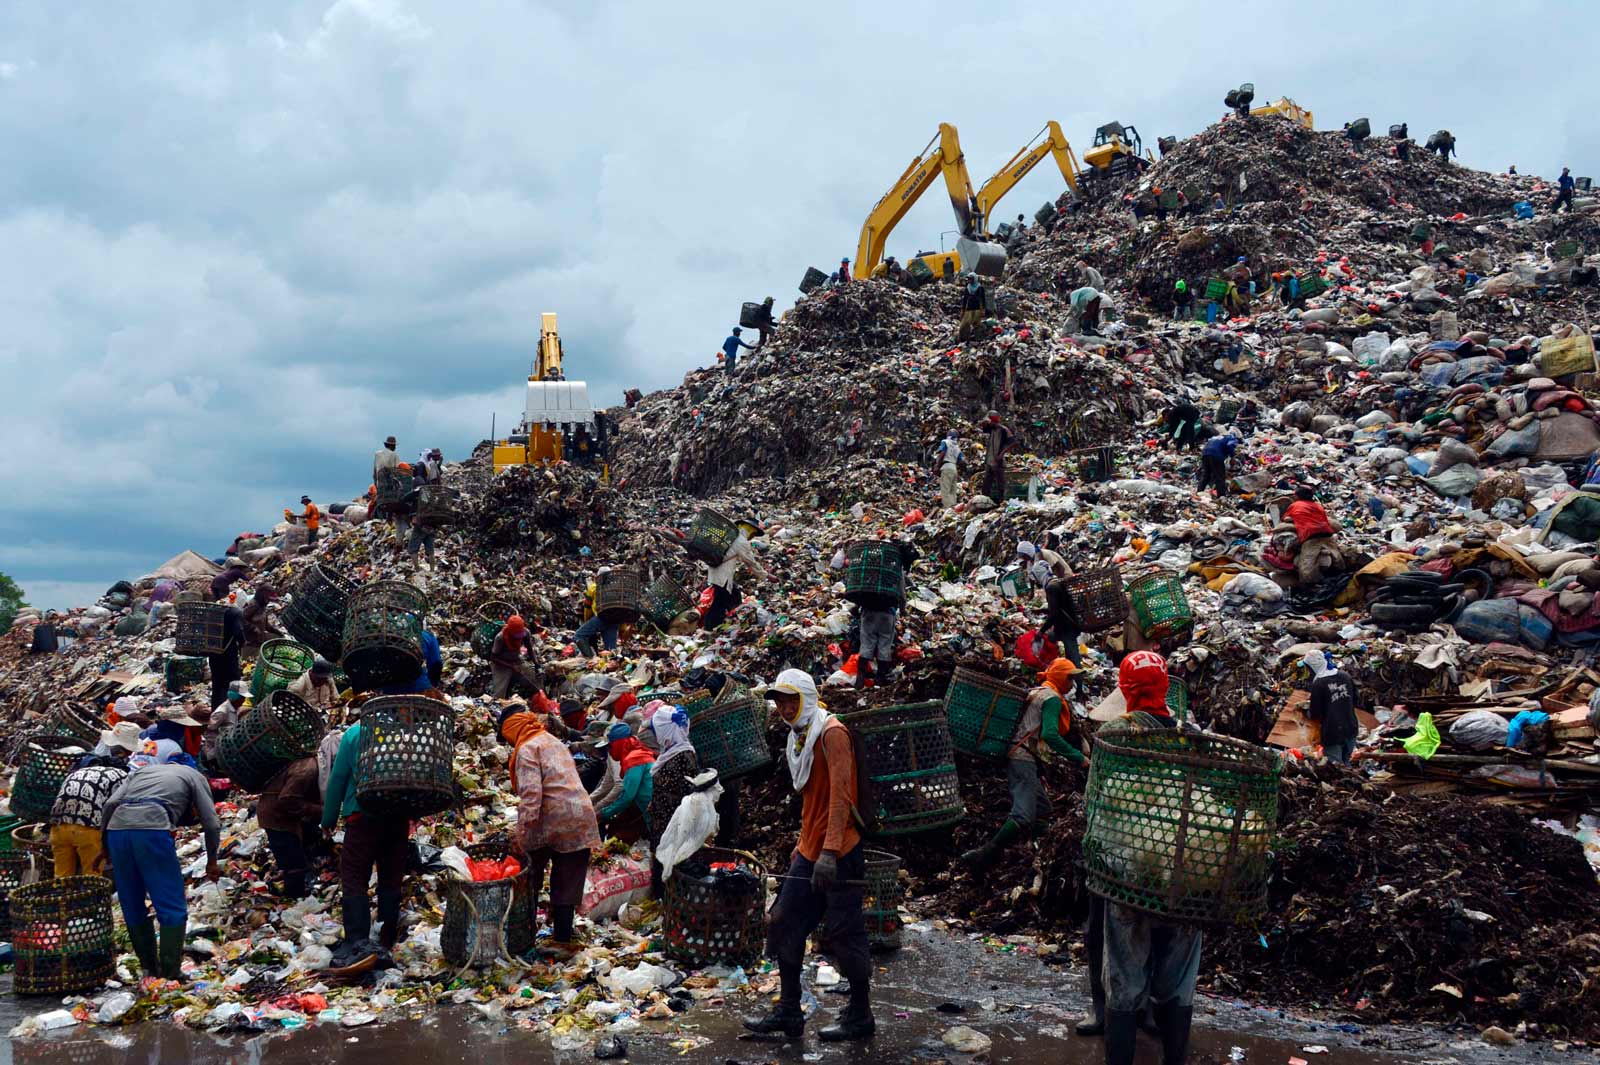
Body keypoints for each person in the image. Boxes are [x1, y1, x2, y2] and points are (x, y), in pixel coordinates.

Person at [744, 669, 873, 1042]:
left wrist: (829, 853)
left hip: (839, 849)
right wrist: (805, 848)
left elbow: (840, 797)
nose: (784, 708)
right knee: (784, 920)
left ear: (807, 698)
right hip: (811, 848)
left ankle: (861, 1015)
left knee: (843, 933)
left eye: (790, 700)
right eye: (779, 701)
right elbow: (811, 802)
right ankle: (788, 1010)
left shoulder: (831, 734)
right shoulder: (798, 738)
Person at [1095, 651, 1200, 1063]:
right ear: (1165, 686)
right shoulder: (1191, 734)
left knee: (1123, 970)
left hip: (1129, 874)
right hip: (1188, 871)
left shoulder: (1115, 733)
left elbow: (1098, 802)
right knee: (1179, 977)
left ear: (1124, 689)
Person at [103, 745, 222, 979]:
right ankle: (170, 972)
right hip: (152, 829)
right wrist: (212, 861)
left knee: (132, 902)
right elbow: (212, 823)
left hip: (117, 830)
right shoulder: (194, 775)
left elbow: (109, 805)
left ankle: (148, 968)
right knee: (170, 904)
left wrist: (104, 846)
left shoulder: (142, 772)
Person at [962, 658, 1085, 866]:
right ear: (1060, 677)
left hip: (1018, 753)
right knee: (1024, 815)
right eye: (1069, 679)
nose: (1072, 684)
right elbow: (1051, 735)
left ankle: (1040, 855)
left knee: (1043, 808)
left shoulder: (1038, 691)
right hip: (1022, 757)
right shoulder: (1052, 699)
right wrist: (1078, 757)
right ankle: (984, 855)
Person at [502, 705, 601, 957]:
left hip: (552, 817)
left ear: (512, 730)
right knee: (568, 877)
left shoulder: (526, 749)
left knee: (530, 875)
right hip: (580, 814)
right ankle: (562, 939)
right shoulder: (552, 740)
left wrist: (521, 835)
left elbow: (532, 796)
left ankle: (524, 935)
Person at [323, 713, 412, 957]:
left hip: (362, 818)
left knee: (354, 877)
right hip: (397, 817)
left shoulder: (354, 733)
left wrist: (328, 819)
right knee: (391, 877)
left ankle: (357, 941)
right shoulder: (404, 733)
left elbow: (338, 778)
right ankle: (387, 938)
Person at [50, 726, 138, 878]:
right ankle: (89, 901)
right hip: (87, 829)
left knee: (62, 878)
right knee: (92, 878)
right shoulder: (120, 775)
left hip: (58, 827)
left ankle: (61, 901)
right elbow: (118, 807)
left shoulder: (81, 770)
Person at [645, 704, 698, 897]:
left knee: (671, 869)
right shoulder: (673, 752)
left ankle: (667, 904)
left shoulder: (683, 755)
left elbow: (685, 794)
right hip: (663, 821)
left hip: (673, 825)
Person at [258, 755, 322, 898]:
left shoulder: (311, 764)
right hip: (277, 818)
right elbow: (287, 799)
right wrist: (319, 809)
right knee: (294, 865)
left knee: (300, 853)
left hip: (281, 815)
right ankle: (293, 900)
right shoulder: (307, 769)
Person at [703, 519, 771, 629]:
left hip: (716, 572)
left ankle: (735, 617)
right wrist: (766, 575)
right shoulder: (741, 542)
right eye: (753, 534)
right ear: (749, 531)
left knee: (735, 595)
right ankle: (710, 627)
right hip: (722, 575)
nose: (753, 537)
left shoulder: (732, 537)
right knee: (719, 603)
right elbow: (751, 562)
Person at [595, 722, 655, 835]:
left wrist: (603, 813)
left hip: (652, 810)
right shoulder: (637, 754)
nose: (609, 751)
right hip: (648, 808)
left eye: (610, 746)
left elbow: (628, 796)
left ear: (618, 744)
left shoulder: (634, 759)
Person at [1283, 485, 1343, 582]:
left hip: (1311, 536)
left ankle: (1311, 587)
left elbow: (1285, 519)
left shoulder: (1295, 505)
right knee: (1337, 559)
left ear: (1298, 496)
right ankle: (1342, 578)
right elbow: (1326, 520)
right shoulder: (1318, 506)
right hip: (1327, 534)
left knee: (1306, 568)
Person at [1040, 571, 1085, 667]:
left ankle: (1078, 679)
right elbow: (1061, 605)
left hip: (1066, 627)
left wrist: (1041, 631)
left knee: (1073, 657)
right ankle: (1070, 675)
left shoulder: (1051, 588)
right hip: (1072, 623)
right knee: (1069, 653)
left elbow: (1054, 613)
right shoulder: (1059, 582)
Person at [207, 602, 246, 711]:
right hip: (228, 654)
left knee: (217, 683)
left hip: (214, 653)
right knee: (232, 681)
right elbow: (238, 631)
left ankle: (215, 710)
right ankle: (231, 710)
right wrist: (242, 642)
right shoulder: (235, 613)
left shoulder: (214, 614)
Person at [490, 614, 539, 698]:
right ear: (511, 631)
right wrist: (511, 666)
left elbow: (530, 649)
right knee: (499, 693)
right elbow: (493, 657)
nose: (519, 637)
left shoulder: (526, 632)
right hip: (501, 664)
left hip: (516, 660)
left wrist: (536, 663)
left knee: (532, 679)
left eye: (521, 633)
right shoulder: (501, 637)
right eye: (517, 634)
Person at [574, 571, 621, 657]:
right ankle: (610, 667)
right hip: (615, 620)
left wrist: (587, 620)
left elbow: (587, 607)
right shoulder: (617, 588)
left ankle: (591, 659)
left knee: (579, 636)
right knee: (610, 649)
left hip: (601, 618)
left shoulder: (594, 587)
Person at [201, 683, 246, 771]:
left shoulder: (235, 708)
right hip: (216, 753)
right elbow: (208, 731)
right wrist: (221, 742)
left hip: (227, 750)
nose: (244, 700)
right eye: (242, 698)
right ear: (235, 697)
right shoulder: (222, 712)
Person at [855, 599, 898, 690]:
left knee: (866, 646)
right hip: (888, 614)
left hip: (868, 612)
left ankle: (859, 683)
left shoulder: (869, 584)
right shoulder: (891, 584)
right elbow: (901, 595)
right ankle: (879, 683)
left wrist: (856, 607)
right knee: (884, 647)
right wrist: (903, 609)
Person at [979, 411, 1013, 501]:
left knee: (1000, 484)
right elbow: (982, 426)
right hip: (989, 461)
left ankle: (1001, 502)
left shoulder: (1003, 429)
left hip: (998, 461)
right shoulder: (991, 429)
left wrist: (1001, 454)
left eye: (991, 422)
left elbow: (1013, 442)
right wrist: (986, 420)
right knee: (986, 483)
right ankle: (984, 501)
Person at [373, 435, 401, 535]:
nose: (395, 447)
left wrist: (376, 485)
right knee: (393, 500)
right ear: (392, 446)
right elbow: (397, 471)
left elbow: (374, 472)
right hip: (389, 483)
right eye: (394, 446)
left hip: (380, 484)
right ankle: (389, 519)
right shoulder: (394, 455)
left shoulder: (377, 454)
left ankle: (386, 520)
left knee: (383, 501)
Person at [933, 431, 962, 509]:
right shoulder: (958, 447)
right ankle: (953, 508)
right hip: (954, 468)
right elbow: (961, 461)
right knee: (953, 491)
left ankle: (947, 509)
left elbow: (942, 453)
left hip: (946, 467)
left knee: (945, 491)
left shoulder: (945, 442)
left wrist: (937, 466)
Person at [956, 273, 987, 341]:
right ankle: (964, 339)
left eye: (970, 279)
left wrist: (983, 310)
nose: (969, 281)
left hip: (977, 309)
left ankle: (978, 339)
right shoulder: (968, 287)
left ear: (974, 279)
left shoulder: (980, 287)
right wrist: (963, 310)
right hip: (969, 309)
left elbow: (983, 299)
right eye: (968, 279)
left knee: (977, 325)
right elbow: (965, 299)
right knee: (964, 325)